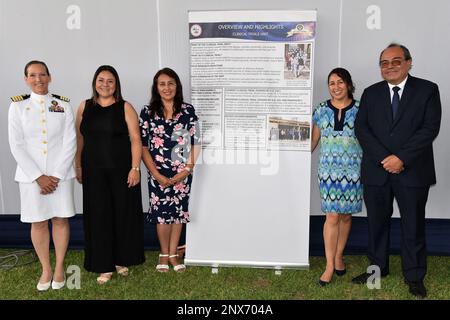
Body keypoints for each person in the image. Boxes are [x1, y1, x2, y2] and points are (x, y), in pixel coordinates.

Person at [353, 43, 441, 298]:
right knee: (376, 225)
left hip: (412, 171)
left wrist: (401, 158)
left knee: (413, 225)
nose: (389, 66)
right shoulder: (370, 93)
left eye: (395, 61)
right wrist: (385, 159)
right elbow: (362, 129)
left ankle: (414, 276)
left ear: (409, 63)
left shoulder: (427, 90)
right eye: (384, 63)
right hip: (377, 171)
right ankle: (376, 270)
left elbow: (429, 128)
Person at [8, 60, 76, 291]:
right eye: (33, 75)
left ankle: (59, 268)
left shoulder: (62, 105)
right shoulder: (17, 106)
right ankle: (46, 268)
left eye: (42, 75)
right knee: (38, 222)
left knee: (60, 219)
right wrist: (39, 176)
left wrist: (55, 175)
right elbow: (16, 145)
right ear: (26, 78)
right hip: (31, 178)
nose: (38, 79)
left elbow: (70, 142)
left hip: (61, 177)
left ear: (50, 77)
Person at [75, 65, 145, 284]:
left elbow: (136, 139)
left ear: (116, 85)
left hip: (122, 172)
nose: (105, 84)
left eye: (110, 81)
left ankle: (121, 260)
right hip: (93, 172)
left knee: (122, 216)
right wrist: (78, 165)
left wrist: (135, 168)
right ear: (95, 82)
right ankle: (103, 264)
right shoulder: (84, 106)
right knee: (99, 217)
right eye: (101, 80)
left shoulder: (125, 107)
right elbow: (79, 139)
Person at [139, 68, 200, 273]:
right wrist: (156, 174)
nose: (167, 88)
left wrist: (187, 169)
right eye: (162, 84)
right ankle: (163, 253)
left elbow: (197, 142)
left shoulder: (188, 110)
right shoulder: (147, 112)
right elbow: (143, 146)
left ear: (177, 86)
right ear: (156, 88)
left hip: (182, 173)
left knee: (177, 213)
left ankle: (174, 253)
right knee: (162, 215)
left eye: (171, 83)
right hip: (157, 173)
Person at [311, 68, 363, 286]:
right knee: (332, 216)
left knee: (345, 217)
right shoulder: (321, 110)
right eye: (331, 83)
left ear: (348, 84)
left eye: (340, 82)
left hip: (354, 172)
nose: (336, 87)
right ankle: (329, 265)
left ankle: (339, 255)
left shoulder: (361, 109)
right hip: (329, 172)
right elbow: (313, 142)